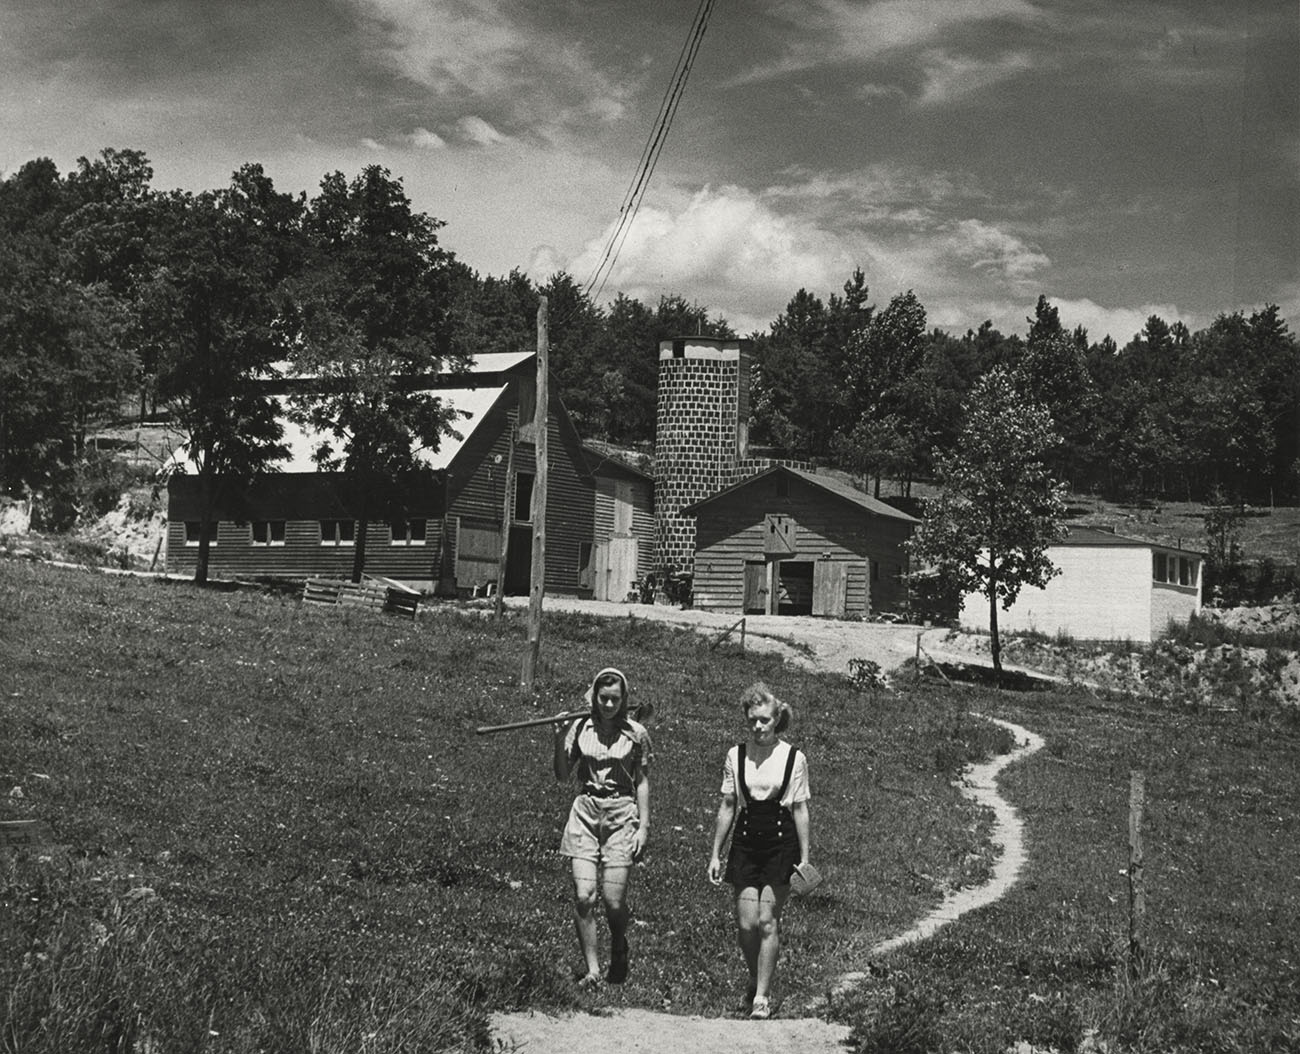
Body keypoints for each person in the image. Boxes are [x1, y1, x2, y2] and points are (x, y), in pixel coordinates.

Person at [707, 681, 811, 1019]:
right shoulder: (736, 756)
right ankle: (755, 977)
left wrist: (805, 858)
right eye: (752, 720)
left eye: (764, 720)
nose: (758, 726)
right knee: (747, 924)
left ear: (776, 718)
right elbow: (727, 805)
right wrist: (715, 853)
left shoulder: (793, 758)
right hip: (747, 841)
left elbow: (800, 809)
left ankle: (762, 997)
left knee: (768, 920)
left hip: (781, 844)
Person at [553, 667, 652, 989]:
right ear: (594, 697)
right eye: (603, 698)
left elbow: (641, 781)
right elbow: (561, 774)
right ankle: (593, 970)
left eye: (615, 699)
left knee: (612, 901)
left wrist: (643, 827)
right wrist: (559, 735)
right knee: (584, 896)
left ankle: (619, 943)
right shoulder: (580, 727)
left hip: (622, 816)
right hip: (585, 813)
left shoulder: (636, 733)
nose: (608, 705)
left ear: (624, 700)